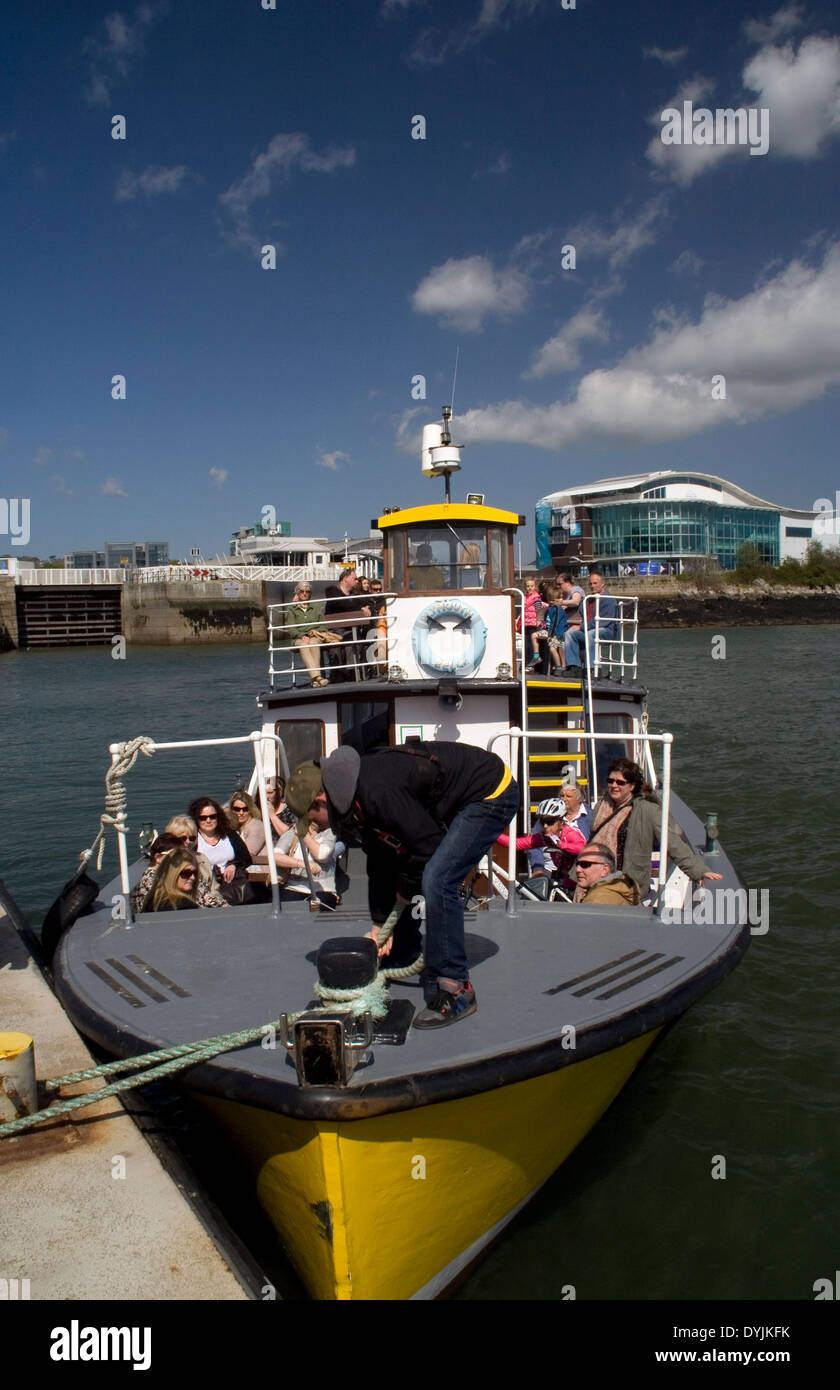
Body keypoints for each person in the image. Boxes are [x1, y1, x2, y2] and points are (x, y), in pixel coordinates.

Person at [287, 742, 519, 1029]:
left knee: (438, 878)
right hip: (452, 799)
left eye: (311, 818)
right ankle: (405, 951)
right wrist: (380, 923)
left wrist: (405, 891)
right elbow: (380, 859)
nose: (315, 826)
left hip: (489, 792)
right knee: (406, 867)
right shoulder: (355, 796)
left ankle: (456, 989)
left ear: (321, 799)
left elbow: (426, 847)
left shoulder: (377, 792)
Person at [588, 757, 723, 899]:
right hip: (595, 879)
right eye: (610, 781)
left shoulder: (648, 810)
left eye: (620, 782)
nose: (614, 785)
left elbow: (673, 843)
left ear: (632, 786)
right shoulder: (602, 806)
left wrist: (700, 871)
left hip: (627, 885)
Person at [497, 796, 587, 893]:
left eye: (549, 822)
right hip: (565, 878)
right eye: (542, 822)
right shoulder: (545, 837)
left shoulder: (570, 834)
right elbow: (517, 844)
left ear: (561, 821)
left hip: (581, 879)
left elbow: (583, 849)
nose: (545, 826)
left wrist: (561, 845)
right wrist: (492, 835)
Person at [188, 797, 252, 903]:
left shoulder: (229, 835)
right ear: (196, 819)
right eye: (203, 818)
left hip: (233, 887)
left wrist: (234, 865)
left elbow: (246, 857)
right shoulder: (192, 839)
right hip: (205, 889)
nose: (208, 820)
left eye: (212, 816)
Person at [164, 815, 228, 906]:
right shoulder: (169, 863)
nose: (188, 842)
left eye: (192, 838)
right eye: (183, 838)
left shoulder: (202, 859)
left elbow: (214, 888)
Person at [564, 570, 619, 670]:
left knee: (591, 634)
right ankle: (573, 665)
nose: (592, 586)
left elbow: (603, 622)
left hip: (606, 631)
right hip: (589, 629)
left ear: (602, 584)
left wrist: (581, 627)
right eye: (590, 583)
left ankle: (592, 668)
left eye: (595, 583)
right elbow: (581, 609)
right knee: (569, 633)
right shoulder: (589, 599)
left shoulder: (608, 600)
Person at [324, 566, 371, 682]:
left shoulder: (355, 595)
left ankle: (352, 672)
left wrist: (366, 606)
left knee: (353, 641)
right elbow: (341, 603)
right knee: (335, 646)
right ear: (345, 579)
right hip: (334, 630)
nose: (357, 581)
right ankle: (338, 675)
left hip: (351, 630)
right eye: (354, 579)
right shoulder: (332, 590)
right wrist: (361, 608)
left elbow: (369, 602)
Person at [287, 581, 330, 687]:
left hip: (314, 636)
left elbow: (323, 625)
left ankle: (315, 681)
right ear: (297, 593)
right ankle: (318, 677)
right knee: (303, 645)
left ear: (310, 594)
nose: (304, 593)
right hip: (299, 638)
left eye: (307, 591)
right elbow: (291, 628)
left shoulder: (316, 607)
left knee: (314, 642)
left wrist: (315, 633)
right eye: (302, 591)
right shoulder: (292, 609)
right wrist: (301, 636)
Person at [572, 842, 640, 906]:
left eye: (585, 864)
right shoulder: (615, 890)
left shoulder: (598, 898)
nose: (578, 870)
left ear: (605, 870)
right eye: (577, 864)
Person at [131, 832, 183, 913]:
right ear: (158, 857)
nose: (181, 860)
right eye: (175, 856)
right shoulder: (151, 882)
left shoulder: (164, 876)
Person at [227, 790, 267, 861]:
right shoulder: (236, 826)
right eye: (237, 809)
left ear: (250, 809)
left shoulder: (256, 826)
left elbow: (248, 853)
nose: (241, 813)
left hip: (258, 868)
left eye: (245, 809)